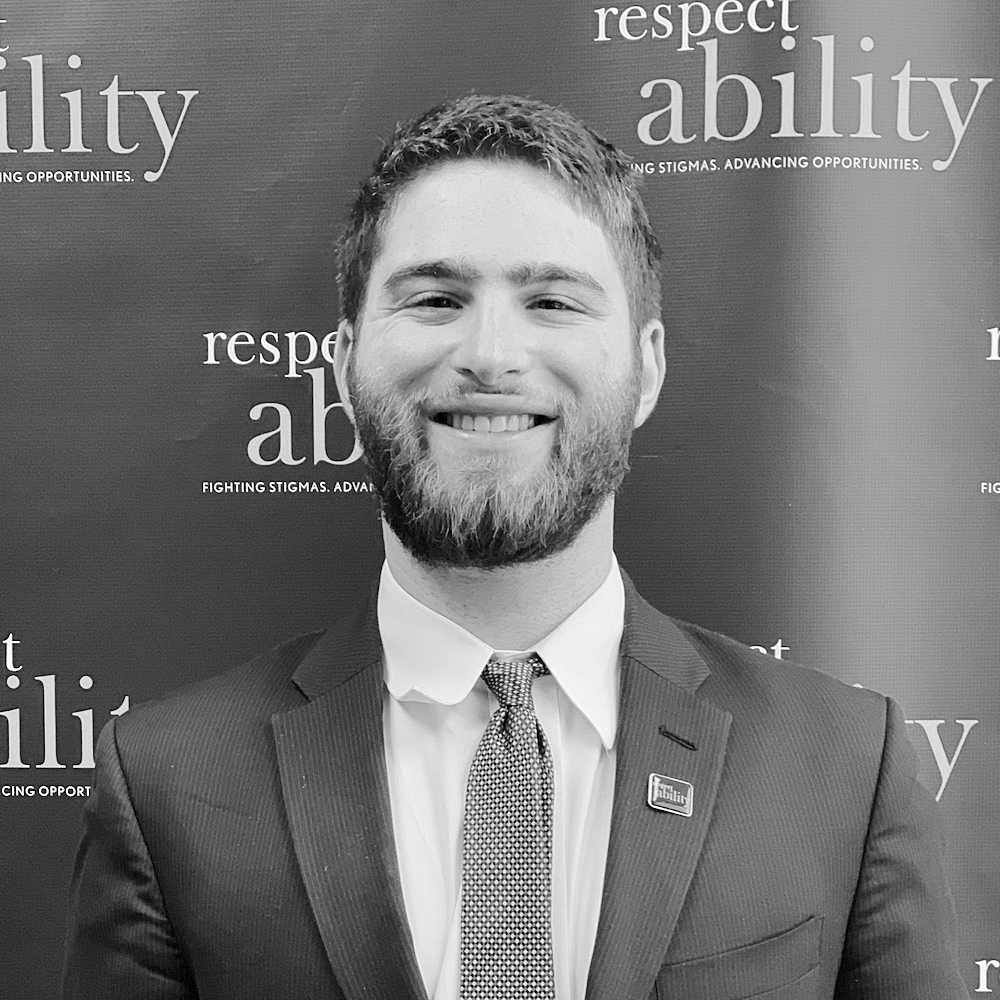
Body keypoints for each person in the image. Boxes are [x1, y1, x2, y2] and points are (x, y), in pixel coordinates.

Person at [62, 94, 968, 1000]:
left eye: (551, 301)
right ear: (343, 363)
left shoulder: (845, 769)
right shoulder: (167, 786)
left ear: (646, 367)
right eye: (435, 298)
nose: (491, 353)